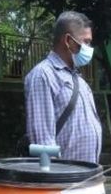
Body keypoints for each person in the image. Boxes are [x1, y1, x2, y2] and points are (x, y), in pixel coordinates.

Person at [24, 11, 102, 163]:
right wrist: (51, 180)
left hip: (87, 175)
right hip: (65, 180)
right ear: (68, 40)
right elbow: (42, 140)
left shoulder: (78, 79)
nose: (89, 48)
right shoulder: (43, 75)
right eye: (85, 42)